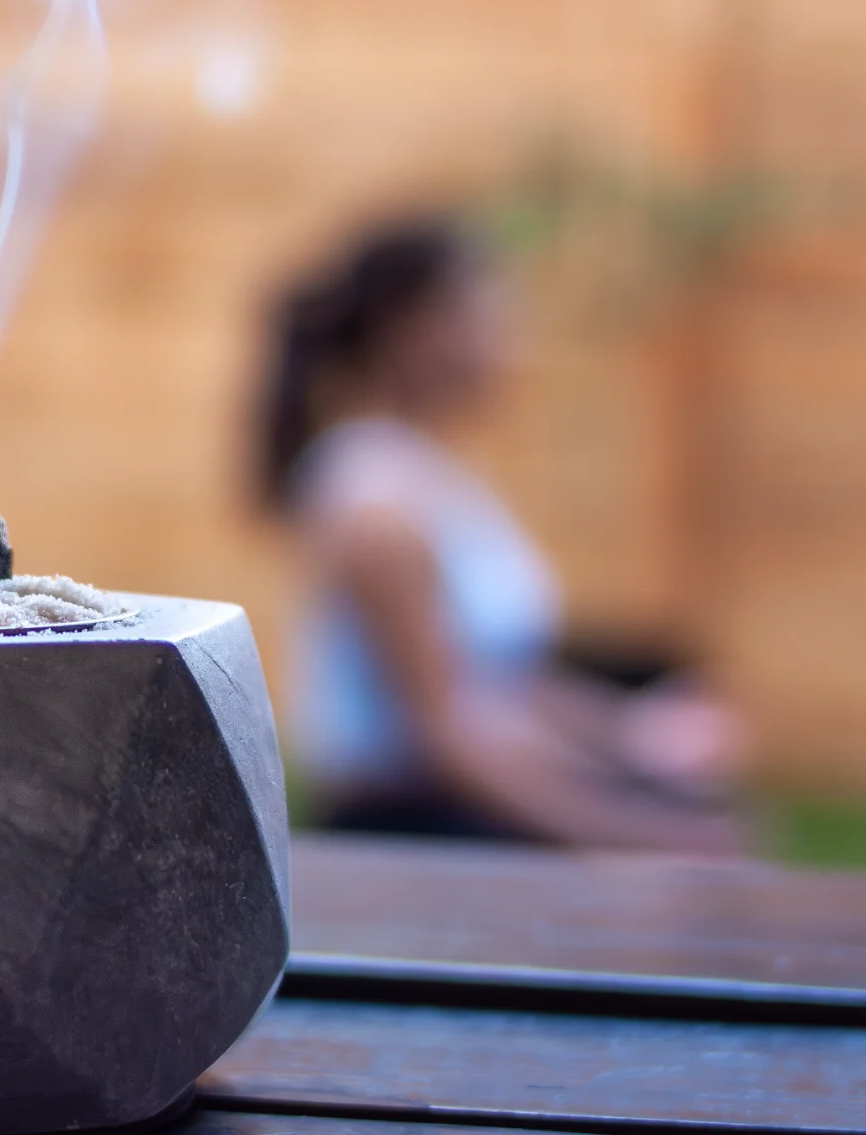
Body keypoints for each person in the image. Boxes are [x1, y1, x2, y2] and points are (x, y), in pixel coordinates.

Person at [259, 215, 748, 854]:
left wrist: (632, 734)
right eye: (489, 313)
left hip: (460, 806)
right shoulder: (374, 502)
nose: (514, 338)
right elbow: (446, 740)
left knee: (718, 817)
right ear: (415, 330)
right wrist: (635, 836)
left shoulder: (436, 474)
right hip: (411, 834)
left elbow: (501, 685)